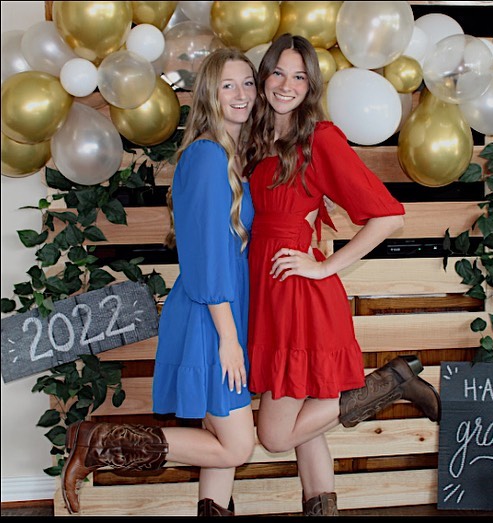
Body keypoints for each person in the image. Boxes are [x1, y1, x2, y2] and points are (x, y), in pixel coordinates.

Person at [243, 33, 441, 516]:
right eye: (278, 72)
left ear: (311, 86)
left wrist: (324, 265)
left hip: (298, 297)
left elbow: (388, 217)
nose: (286, 85)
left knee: (275, 435)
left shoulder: (320, 139)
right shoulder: (256, 139)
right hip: (267, 293)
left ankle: (391, 381)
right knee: (304, 431)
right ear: (264, 76)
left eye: (299, 76)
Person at [60, 48, 258, 517]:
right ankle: (98, 442)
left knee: (218, 439)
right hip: (212, 318)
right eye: (228, 85)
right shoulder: (208, 157)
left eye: (248, 83)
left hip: (219, 312)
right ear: (209, 94)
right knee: (237, 446)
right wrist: (229, 338)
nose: (242, 94)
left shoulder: (226, 156)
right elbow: (208, 258)